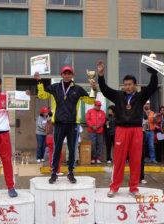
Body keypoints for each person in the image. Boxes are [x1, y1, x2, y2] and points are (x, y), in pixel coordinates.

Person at [97, 61, 158, 198]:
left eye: (130, 84)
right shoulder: (118, 95)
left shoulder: (141, 96)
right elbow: (105, 89)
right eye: (125, 84)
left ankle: (134, 187)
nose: (127, 87)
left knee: (136, 160)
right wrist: (101, 75)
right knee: (119, 160)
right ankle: (114, 187)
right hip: (121, 130)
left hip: (136, 130)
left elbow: (152, 87)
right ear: (123, 86)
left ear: (135, 85)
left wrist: (154, 73)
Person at [34, 66, 96, 184]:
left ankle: (71, 173)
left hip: (73, 124)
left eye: (69, 73)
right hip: (58, 124)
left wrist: (94, 90)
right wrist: (39, 81)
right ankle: (54, 173)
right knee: (57, 149)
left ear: (72, 75)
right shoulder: (54, 88)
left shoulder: (78, 89)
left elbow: (90, 101)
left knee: (72, 149)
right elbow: (42, 95)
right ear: (61, 75)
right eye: (64, 73)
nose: (67, 75)